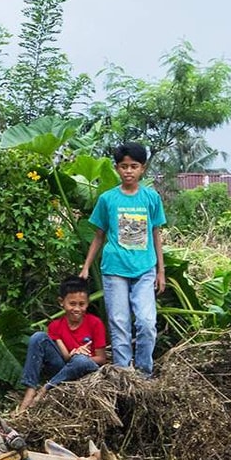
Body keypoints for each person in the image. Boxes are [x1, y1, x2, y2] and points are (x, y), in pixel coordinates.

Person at [79, 142, 167, 376]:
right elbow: (99, 236)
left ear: (143, 169)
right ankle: (123, 375)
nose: (128, 171)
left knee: (147, 323)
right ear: (117, 168)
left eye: (134, 166)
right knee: (119, 325)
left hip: (144, 269)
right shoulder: (108, 199)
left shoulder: (151, 198)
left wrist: (161, 272)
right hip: (114, 269)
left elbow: (156, 234)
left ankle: (144, 374)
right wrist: (86, 266)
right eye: (124, 166)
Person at [18, 276, 109, 408]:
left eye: (82, 304)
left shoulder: (95, 323)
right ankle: (30, 389)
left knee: (81, 361)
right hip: (66, 367)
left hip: (85, 369)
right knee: (38, 337)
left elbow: (101, 359)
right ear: (62, 302)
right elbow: (66, 357)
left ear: (87, 303)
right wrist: (73, 354)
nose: (77, 309)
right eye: (72, 304)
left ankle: (45, 389)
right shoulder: (56, 325)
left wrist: (82, 356)